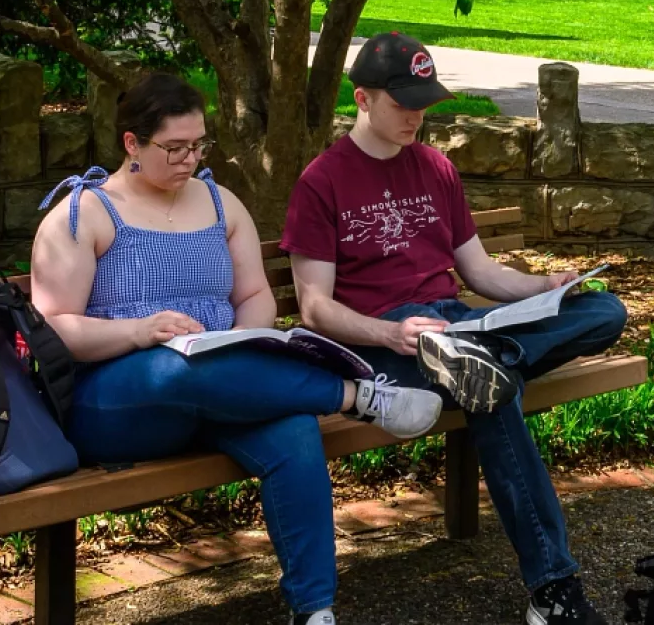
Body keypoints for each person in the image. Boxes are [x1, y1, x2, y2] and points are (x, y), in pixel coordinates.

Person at [32, 74, 445, 625]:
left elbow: (253, 295)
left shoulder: (221, 204)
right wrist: (138, 331)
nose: (189, 159)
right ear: (132, 143)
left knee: (293, 427)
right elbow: (53, 328)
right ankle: (352, 394)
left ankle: (314, 610)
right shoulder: (84, 214)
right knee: (172, 369)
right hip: (121, 400)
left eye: (198, 145)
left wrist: (247, 335)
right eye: (173, 148)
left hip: (226, 385)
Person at [285, 32, 632, 625]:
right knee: (491, 391)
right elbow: (315, 309)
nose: (417, 116)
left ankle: (481, 353)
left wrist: (545, 289)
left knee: (606, 311)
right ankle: (553, 590)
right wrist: (393, 335)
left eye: (424, 102)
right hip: (386, 343)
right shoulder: (323, 181)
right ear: (362, 98)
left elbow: (479, 270)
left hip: (458, 326)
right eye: (403, 103)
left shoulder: (435, 167)